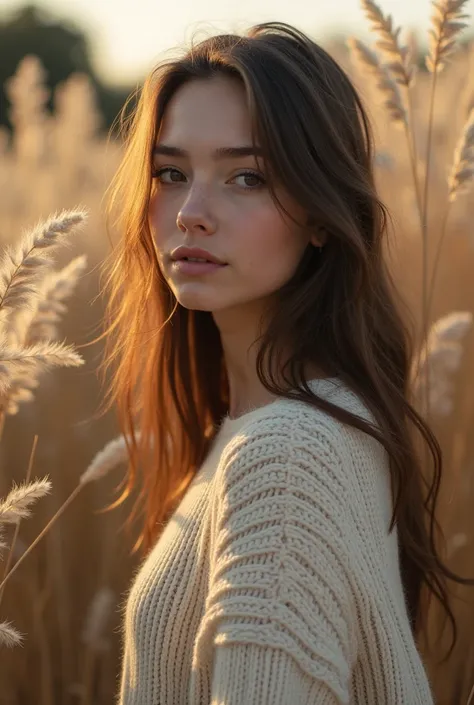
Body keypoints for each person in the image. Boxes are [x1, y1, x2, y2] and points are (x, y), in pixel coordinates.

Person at [94, 21, 472, 705]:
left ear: (322, 213)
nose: (191, 214)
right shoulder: (284, 426)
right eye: (171, 173)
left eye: (247, 177)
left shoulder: (285, 457)